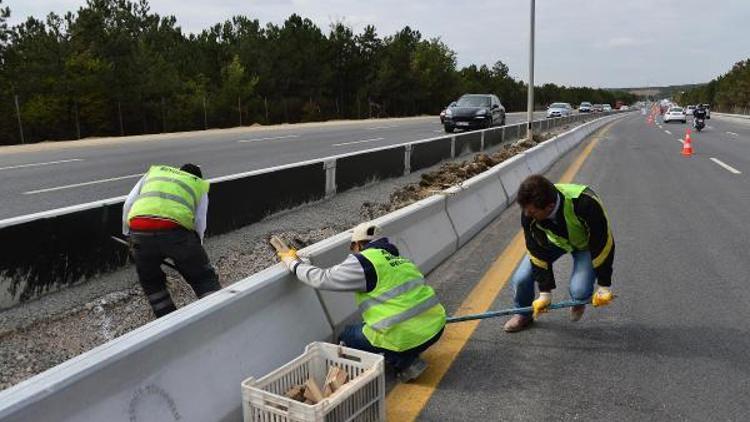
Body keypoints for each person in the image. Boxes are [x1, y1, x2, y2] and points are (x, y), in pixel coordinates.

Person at [278, 222, 446, 382]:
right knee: (378, 329)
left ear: (360, 244)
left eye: (353, 246)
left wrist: (292, 262)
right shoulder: (401, 261)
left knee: (348, 336)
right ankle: (408, 353)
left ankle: (406, 362)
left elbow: (323, 279)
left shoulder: (364, 261)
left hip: (406, 335)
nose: (353, 251)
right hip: (435, 328)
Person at [504, 175, 615, 333]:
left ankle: (578, 300)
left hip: (586, 245)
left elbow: (603, 244)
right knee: (521, 279)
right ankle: (523, 314)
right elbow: (536, 251)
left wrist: (604, 285)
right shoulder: (529, 213)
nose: (527, 215)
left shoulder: (585, 203)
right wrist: (545, 292)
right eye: (526, 211)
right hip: (555, 242)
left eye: (533, 212)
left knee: (580, 291)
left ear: (549, 207)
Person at [122, 163, 221, 318]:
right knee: (203, 277)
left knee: (151, 281)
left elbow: (128, 203)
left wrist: (128, 234)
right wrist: (196, 254)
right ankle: (218, 314)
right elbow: (200, 222)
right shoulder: (198, 184)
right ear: (198, 177)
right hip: (176, 235)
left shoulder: (154, 173)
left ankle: (168, 320)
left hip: (139, 233)